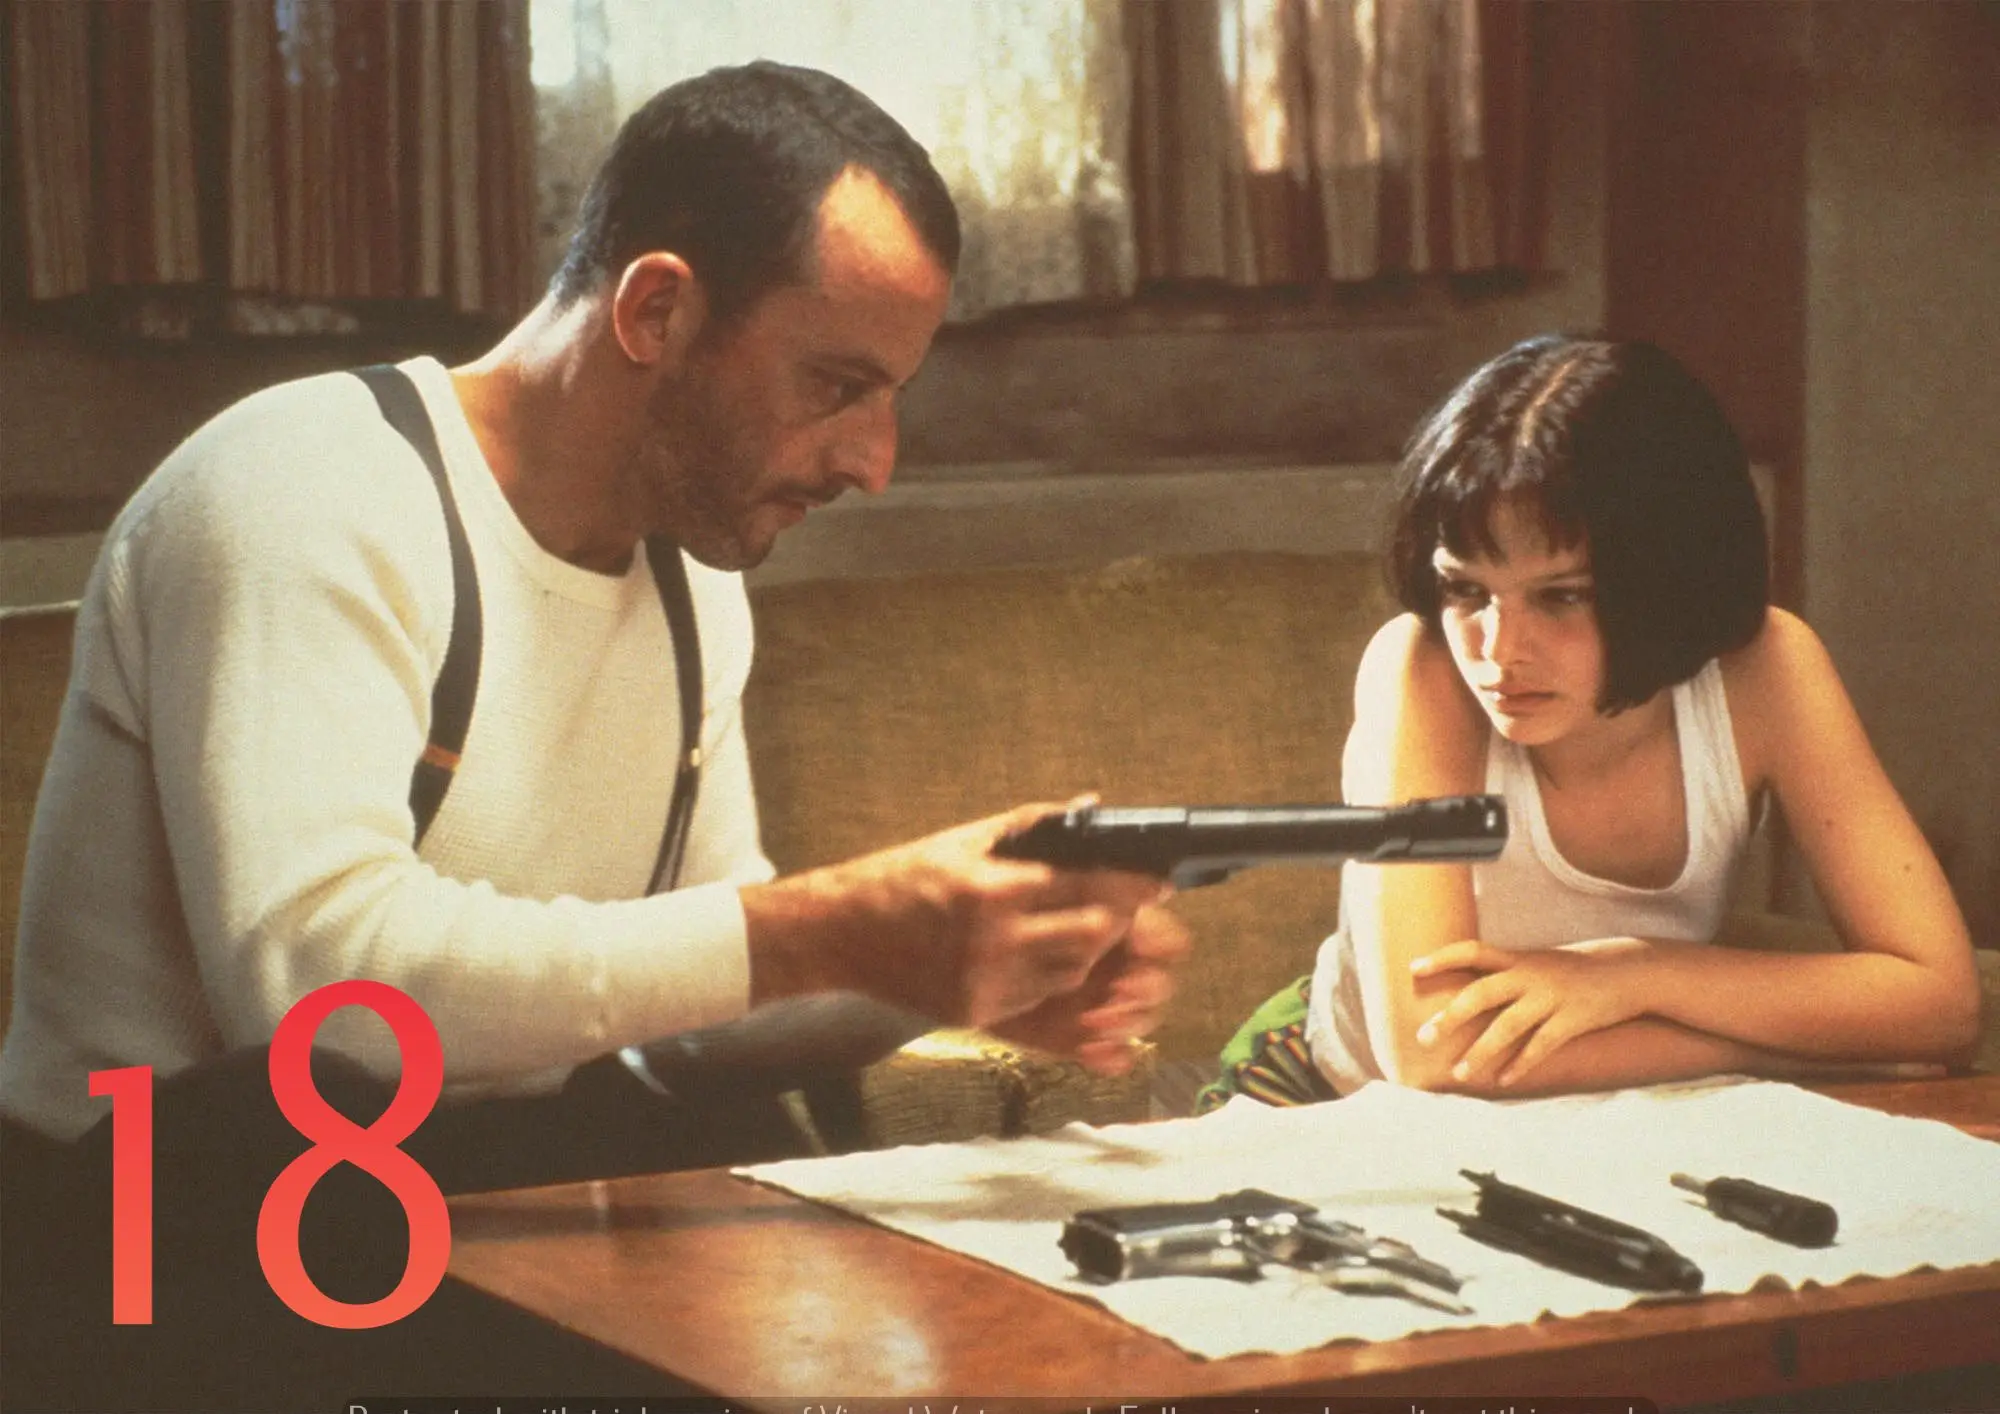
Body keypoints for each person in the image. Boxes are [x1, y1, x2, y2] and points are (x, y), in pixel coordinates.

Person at [0, 61, 1186, 1409]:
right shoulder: (303, 488)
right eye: (836, 384)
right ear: (656, 309)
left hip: (447, 1188)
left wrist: (946, 966)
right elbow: (320, 1002)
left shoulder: (695, 580)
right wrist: (826, 923)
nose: (874, 461)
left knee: (791, 1195)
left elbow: (688, 1010)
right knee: (313, 1119)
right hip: (147, 1221)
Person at [1205, 334, 1978, 1108]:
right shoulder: (1419, 669)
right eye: (1467, 591)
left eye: (1563, 596)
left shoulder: (1768, 667)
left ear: (1674, 577)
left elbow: (1941, 1002)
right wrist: (1780, 1052)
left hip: (1609, 1105)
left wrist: (1637, 971)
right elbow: (1435, 1056)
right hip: (1341, 1095)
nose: (1500, 651)